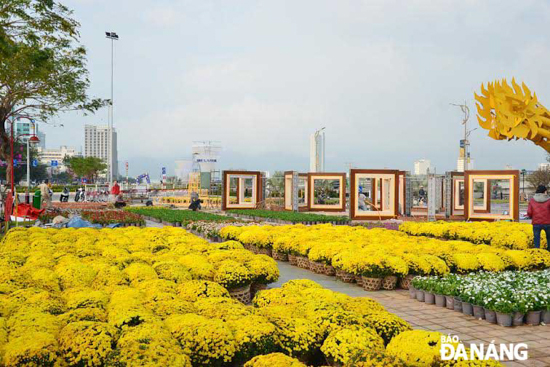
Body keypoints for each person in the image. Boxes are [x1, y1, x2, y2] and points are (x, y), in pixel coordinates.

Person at [527, 185, 550, 250]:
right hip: (548, 223)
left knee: (536, 238)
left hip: (536, 223)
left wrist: (532, 217)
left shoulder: (532, 200)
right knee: (549, 238)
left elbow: (529, 212)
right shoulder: (549, 200)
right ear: (544, 191)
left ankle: (537, 252)